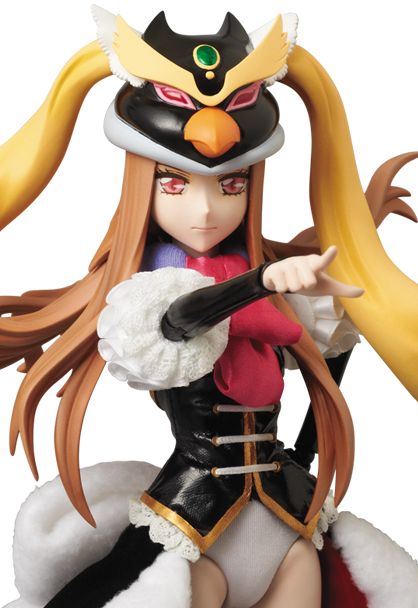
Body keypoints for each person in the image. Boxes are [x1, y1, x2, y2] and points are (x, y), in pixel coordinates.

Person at [1, 6, 417, 608]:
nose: (205, 210)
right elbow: (183, 320)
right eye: (174, 182)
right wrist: (260, 283)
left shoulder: (284, 285)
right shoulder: (147, 295)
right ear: (143, 184)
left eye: (232, 184)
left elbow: (320, 346)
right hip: (196, 523)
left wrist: (348, 280)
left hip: (283, 515)